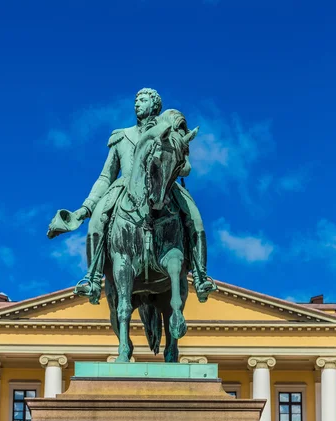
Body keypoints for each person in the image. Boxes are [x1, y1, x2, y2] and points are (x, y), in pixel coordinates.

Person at [47, 88, 215, 304]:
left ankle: (200, 277)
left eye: (143, 100)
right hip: (124, 186)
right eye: (136, 100)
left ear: (154, 105)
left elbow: (186, 168)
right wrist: (85, 208)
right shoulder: (121, 136)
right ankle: (93, 278)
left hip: (164, 183)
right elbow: (106, 176)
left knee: (196, 219)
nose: (137, 104)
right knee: (97, 221)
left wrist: (171, 157)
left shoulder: (171, 131)